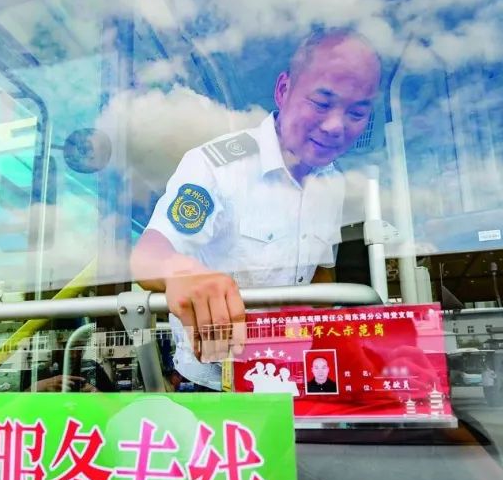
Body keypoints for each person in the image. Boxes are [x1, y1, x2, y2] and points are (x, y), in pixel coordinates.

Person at [130, 28, 381, 389]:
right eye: (321, 103)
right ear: (283, 90)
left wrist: (327, 337)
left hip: (292, 378)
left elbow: (320, 274)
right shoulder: (216, 166)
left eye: (356, 112)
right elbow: (149, 255)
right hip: (216, 386)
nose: (334, 126)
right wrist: (181, 272)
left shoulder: (332, 182)